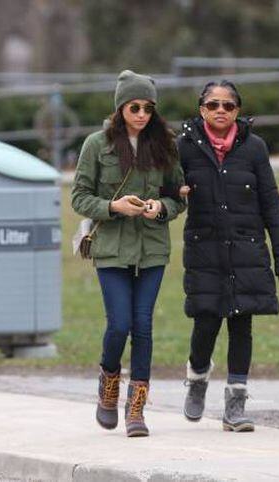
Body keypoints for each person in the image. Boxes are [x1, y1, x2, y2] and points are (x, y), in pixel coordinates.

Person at [177, 80, 279, 432]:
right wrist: (174, 193)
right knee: (206, 321)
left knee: (242, 323)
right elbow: (165, 192)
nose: (220, 111)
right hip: (205, 251)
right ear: (201, 109)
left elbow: (271, 204)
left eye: (228, 106)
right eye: (213, 104)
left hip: (247, 250)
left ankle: (235, 404)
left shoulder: (254, 148)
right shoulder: (183, 147)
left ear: (237, 111)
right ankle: (197, 378)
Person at [72, 70, 185, 437]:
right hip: (111, 249)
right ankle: (108, 384)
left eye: (148, 108)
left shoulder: (165, 145)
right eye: (134, 107)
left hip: (151, 248)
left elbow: (176, 196)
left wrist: (161, 208)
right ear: (120, 107)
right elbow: (79, 197)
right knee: (119, 323)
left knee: (144, 326)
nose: (141, 114)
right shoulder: (96, 145)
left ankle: (136, 409)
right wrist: (114, 207)